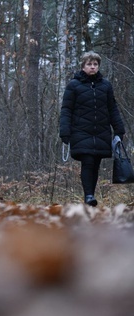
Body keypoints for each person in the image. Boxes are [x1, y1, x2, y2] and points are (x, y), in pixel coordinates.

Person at [60, 51, 125, 206]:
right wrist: (64, 131)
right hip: (81, 131)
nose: (92, 67)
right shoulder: (73, 85)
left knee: (95, 163)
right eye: (89, 64)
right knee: (88, 161)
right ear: (83, 66)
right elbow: (66, 109)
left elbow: (112, 108)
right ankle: (89, 196)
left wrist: (119, 129)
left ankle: (90, 195)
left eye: (95, 64)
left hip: (101, 131)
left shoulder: (106, 85)